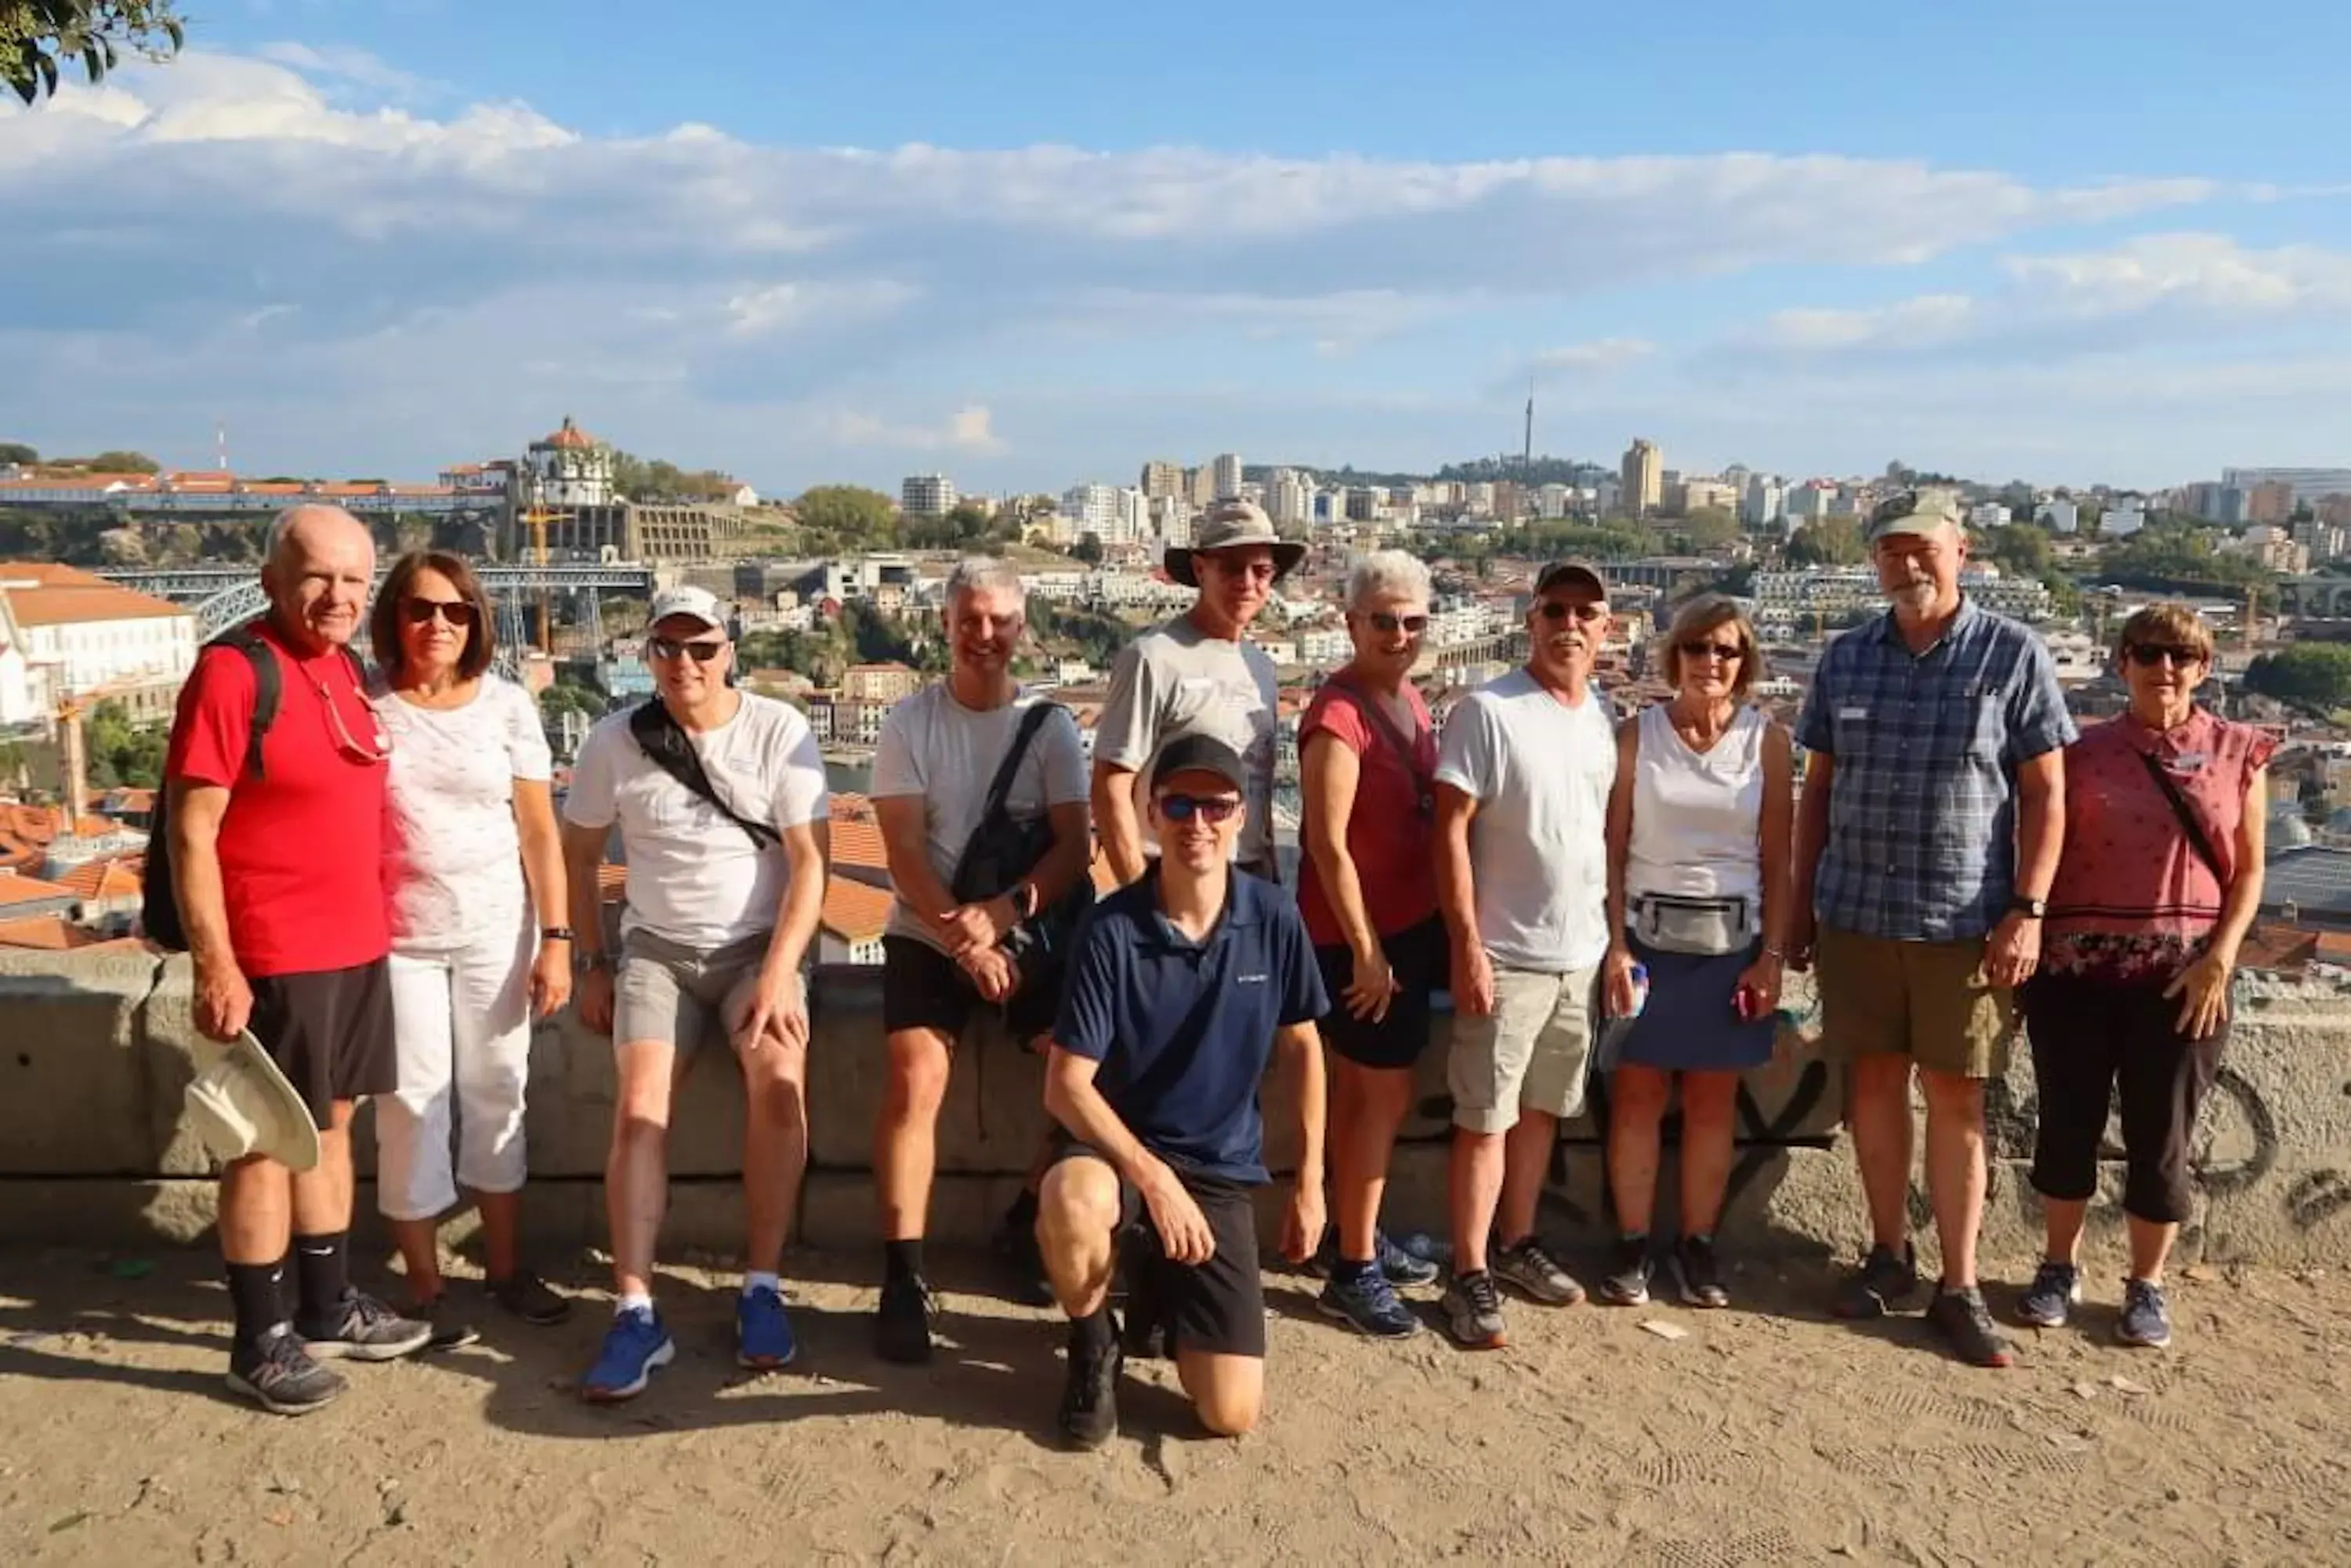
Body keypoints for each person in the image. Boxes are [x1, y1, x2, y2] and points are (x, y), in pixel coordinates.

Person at [1789, 490, 2074, 1369]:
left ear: (1963, 553)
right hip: (1858, 915)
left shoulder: (2013, 653)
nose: (1907, 565)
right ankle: (1888, 1255)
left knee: (1957, 1100)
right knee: (1872, 1088)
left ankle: (1958, 1282)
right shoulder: (1846, 658)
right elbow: (1819, 789)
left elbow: (2046, 795)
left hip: (1966, 921)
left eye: (1923, 549)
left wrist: (2027, 910)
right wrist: (1800, 903)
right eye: (1890, 551)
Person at [163, 504, 430, 1414]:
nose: (339, 596)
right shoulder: (235, 673)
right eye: (317, 576)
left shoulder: (346, 670)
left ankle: (327, 1305)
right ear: (273, 577)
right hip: (273, 952)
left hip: (356, 946)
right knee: (261, 1144)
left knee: (331, 1127)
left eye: (355, 580)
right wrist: (216, 963)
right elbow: (190, 831)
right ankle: (259, 1339)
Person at [560, 585, 831, 1402]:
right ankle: (636, 1306)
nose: (685, 664)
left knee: (778, 1083)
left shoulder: (778, 729)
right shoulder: (615, 742)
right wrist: (593, 963)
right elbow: (577, 859)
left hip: (759, 950)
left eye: (701, 648)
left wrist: (782, 973)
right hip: (657, 951)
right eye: (668, 649)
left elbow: (812, 863)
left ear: (730, 652)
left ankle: (762, 1285)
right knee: (641, 1106)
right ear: (648, 656)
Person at [1037, 734, 1328, 1448]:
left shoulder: (1273, 918)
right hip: (1117, 1148)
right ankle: (1093, 1339)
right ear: (1152, 815)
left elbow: (1304, 1045)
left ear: (1239, 816)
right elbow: (1065, 1085)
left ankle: (1165, 1290)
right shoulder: (1112, 929)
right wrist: (1154, 1178)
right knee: (1071, 1201)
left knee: (1228, 1412)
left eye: (1215, 806)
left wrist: (1312, 1179)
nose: (1197, 822)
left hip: (1219, 1164)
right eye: (1178, 804)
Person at [2017, 604, 2270, 1349]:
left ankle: (2146, 1283)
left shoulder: (2239, 751)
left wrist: (2223, 954)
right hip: (2074, 970)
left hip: (2185, 976)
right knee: (2067, 1125)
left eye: (2182, 656)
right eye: (2150, 653)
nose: (2166, 669)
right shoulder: (2076, 751)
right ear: (2121, 660)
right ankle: (2058, 1266)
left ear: (2204, 667)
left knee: (2161, 1136)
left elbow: (2252, 868)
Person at [868, 558, 1092, 1363]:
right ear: (946, 625)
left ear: (1021, 628)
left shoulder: (1051, 728)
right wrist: (965, 935)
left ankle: (1032, 1217)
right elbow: (901, 853)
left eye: (1000, 621)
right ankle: (903, 1272)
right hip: (929, 926)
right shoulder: (909, 725)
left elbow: (1076, 845)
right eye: (971, 620)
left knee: (1089, 1073)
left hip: (1022, 926)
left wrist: (1004, 917)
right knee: (914, 1076)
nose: (986, 635)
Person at [368, 549, 574, 1347]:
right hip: (398, 937)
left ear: (476, 621)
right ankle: (424, 1287)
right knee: (409, 1106)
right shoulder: (366, 703)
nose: (439, 624)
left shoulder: (507, 707)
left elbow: (539, 831)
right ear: (396, 616)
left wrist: (556, 940)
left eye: (455, 611)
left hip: (495, 928)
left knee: (499, 1091)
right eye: (422, 609)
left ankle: (504, 1267)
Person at [1433, 560, 1618, 1350]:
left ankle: (1514, 1244)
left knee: (1542, 1110)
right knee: (1485, 1119)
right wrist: (1467, 945)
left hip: (1580, 954)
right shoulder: (1487, 709)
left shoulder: (1601, 715)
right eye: (1556, 610)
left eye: (1586, 611)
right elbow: (1448, 831)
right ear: (1532, 620)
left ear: (1608, 628)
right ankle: (1467, 1270)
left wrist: (1610, 948)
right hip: (1506, 952)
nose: (1569, 624)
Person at [1597, 595, 1793, 1309]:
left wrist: (1772, 954)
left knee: (1714, 1102)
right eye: (1698, 648)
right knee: (1639, 1097)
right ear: (1674, 655)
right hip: (1649, 939)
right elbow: (1611, 849)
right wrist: (1615, 946)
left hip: (1732, 945)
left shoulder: (1765, 741)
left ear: (1745, 663)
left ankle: (1698, 1244)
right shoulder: (1634, 735)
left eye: (1727, 650)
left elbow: (1780, 857)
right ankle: (1631, 1243)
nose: (1711, 661)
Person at [1296, 549, 1447, 1337]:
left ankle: (1353, 1235)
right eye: (1383, 620)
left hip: (1403, 931)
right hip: (1359, 941)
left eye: (1413, 621)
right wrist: (1366, 949)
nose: (1399, 633)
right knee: (1379, 1098)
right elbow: (1326, 844)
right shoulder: (1339, 714)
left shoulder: (1409, 700)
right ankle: (1352, 1269)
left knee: (1366, 1096)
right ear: (1350, 623)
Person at [1092, 498, 1297, 885]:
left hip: (1249, 881)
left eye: (1262, 571)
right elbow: (1109, 785)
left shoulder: (1262, 668)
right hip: (1170, 877)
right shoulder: (1153, 657)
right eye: (1233, 567)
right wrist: (1139, 898)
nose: (1248, 583)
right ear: (1201, 569)